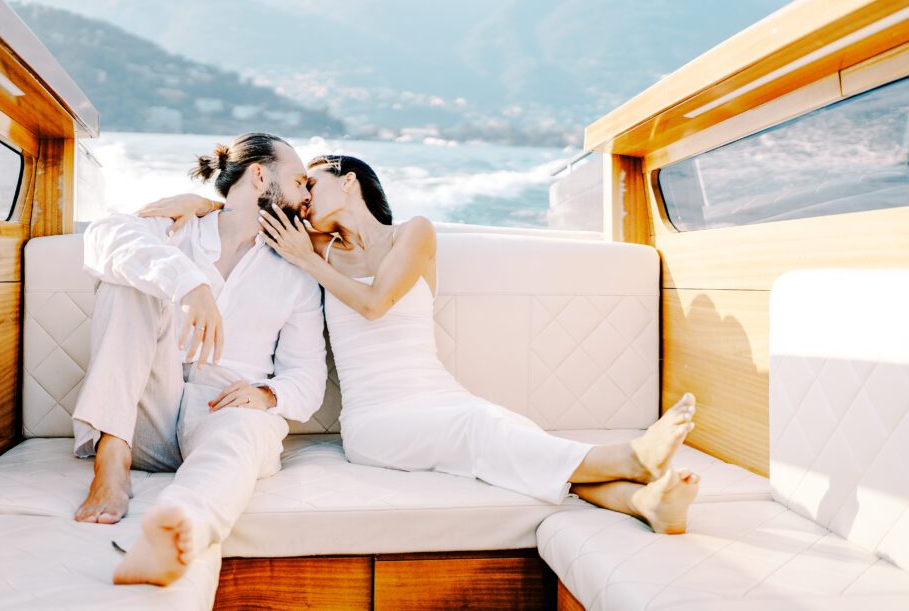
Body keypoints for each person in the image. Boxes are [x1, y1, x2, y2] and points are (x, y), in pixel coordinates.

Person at [140, 154, 700, 535]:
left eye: (312, 183)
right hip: (377, 422)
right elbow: (251, 215)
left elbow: (378, 300)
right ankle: (628, 456)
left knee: (512, 439)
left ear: (348, 179)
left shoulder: (414, 233)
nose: (304, 197)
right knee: (484, 432)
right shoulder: (315, 251)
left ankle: (642, 503)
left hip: (437, 394)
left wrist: (307, 259)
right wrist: (203, 202)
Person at [72, 133, 326, 586]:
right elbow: (103, 235)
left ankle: (174, 532)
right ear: (260, 176)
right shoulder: (180, 228)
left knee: (241, 435)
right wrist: (188, 283)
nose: (308, 195)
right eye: (300, 181)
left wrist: (267, 393)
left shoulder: (297, 275)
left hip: (225, 411)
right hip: (143, 414)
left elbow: (306, 378)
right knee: (125, 280)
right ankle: (111, 459)